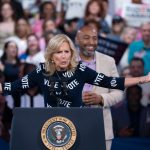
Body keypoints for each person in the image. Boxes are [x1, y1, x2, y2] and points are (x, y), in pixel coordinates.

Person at [0, 34, 150, 108]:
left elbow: (111, 82)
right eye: (59, 52)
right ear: (51, 55)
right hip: (49, 125)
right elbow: (13, 87)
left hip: (77, 124)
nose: (64, 56)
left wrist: (142, 79)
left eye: (67, 51)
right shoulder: (41, 71)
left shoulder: (80, 70)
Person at [75, 25, 123, 150]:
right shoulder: (66, 60)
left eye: (95, 38)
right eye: (86, 38)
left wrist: (101, 99)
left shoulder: (109, 61)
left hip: (101, 128)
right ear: (77, 40)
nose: (91, 42)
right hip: (72, 126)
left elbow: (118, 92)